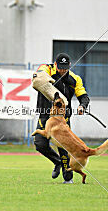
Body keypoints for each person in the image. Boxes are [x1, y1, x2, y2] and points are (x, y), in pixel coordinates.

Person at [33, 53, 90, 183]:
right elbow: (39, 75)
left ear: (69, 66)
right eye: (60, 67)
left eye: (65, 67)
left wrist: (82, 106)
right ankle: (57, 162)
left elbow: (83, 96)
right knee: (40, 144)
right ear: (55, 64)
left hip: (63, 118)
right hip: (45, 114)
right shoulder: (46, 69)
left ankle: (68, 177)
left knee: (64, 148)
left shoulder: (75, 79)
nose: (62, 70)